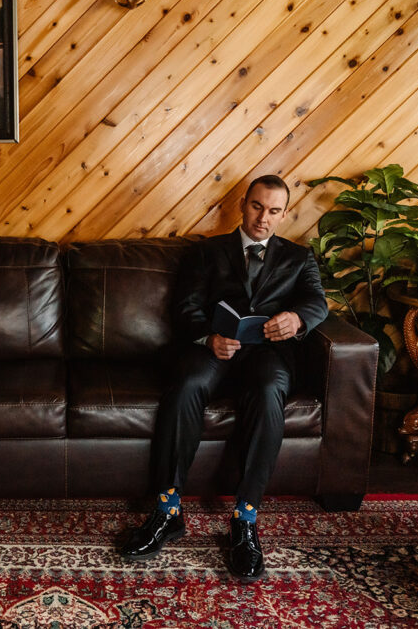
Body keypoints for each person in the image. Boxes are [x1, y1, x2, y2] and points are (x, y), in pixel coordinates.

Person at [118, 174, 328, 583]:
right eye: (256, 207)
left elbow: (317, 302)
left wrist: (298, 318)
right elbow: (186, 308)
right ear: (242, 205)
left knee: (270, 390)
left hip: (267, 354)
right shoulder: (207, 252)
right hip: (211, 349)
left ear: (284, 214)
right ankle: (166, 510)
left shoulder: (299, 258)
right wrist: (208, 337)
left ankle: (245, 520)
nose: (262, 219)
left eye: (273, 211)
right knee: (186, 385)